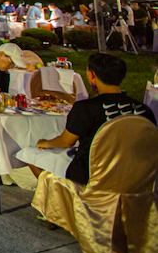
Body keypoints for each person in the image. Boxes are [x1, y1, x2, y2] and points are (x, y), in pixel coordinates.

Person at [31, 53, 155, 185]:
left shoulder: (86, 108)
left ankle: (62, 199)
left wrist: (45, 143)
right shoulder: (144, 110)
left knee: (29, 155)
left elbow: (65, 142)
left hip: (92, 176)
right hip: (136, 177)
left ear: (92, 75)